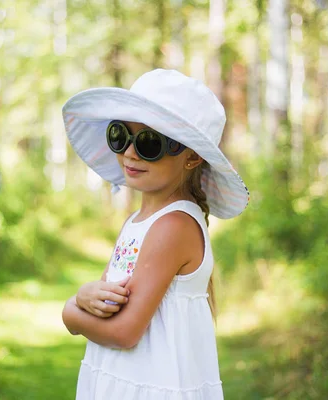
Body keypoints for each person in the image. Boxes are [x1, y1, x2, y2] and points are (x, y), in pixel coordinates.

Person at [61, 69, 248, 399]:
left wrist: (70, 312)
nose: (130, 153)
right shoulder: (138, 220)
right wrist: (87, 295)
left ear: (191, 157)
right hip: (120, 378)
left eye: (150, 143)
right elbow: (108, 299)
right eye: (121, 136)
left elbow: (124, 331)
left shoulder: (172, 226)